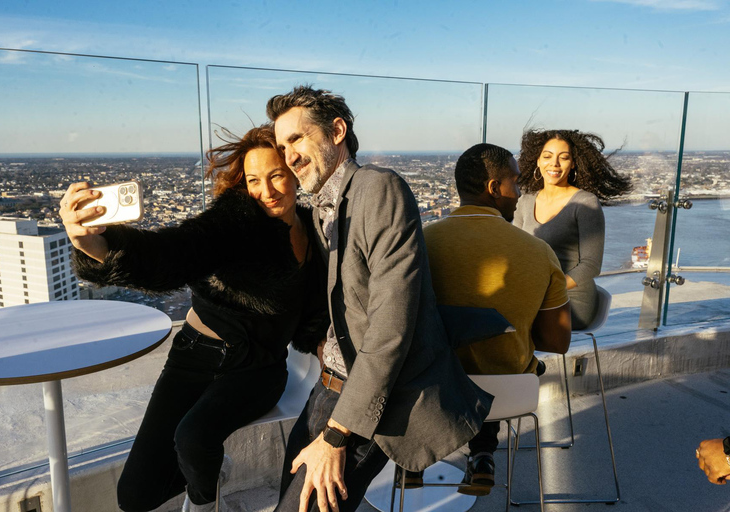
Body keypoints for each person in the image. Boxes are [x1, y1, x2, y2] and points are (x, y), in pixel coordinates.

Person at [60, 125, 328, 512]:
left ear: (294, 172)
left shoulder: (316, 232)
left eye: (276, 176)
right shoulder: (237, 220)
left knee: (194, 437)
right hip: (194, 358)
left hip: (258, 368)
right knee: (135, 496)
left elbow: (316, 317)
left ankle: (204, 501)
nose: (265, 191)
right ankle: (211, 468)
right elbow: (176, 252)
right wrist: (89, 243)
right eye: (253, 180)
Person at [265, 85, 493, 512]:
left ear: (337, 131)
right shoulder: (319, 208)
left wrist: (336, 435)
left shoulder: (378, 190)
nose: (288, 155)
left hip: (367, 402)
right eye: (282, 145)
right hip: (327, 386)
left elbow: (391, 324)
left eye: (296, 138)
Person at [422, 143, 571, 496]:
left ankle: (410, 463)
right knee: (497, 358)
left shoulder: (421, 242)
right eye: (515, 183)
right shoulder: (539, 252)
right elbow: (557, 342)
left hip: (432, 389)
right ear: (493, 189)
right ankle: (484, 454)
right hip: (508, 391)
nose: (520, 194)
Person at [513, 129, 632, 330]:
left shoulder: (585, 203)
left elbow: (591, 265)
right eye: (547, 156)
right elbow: (515, 254)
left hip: (572, 300)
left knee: (510, 324)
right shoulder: (525, 201)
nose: (555, 164)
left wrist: (546, 291)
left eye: (564, 157)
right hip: (534, 294)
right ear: (538, 161)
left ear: (574, 163)